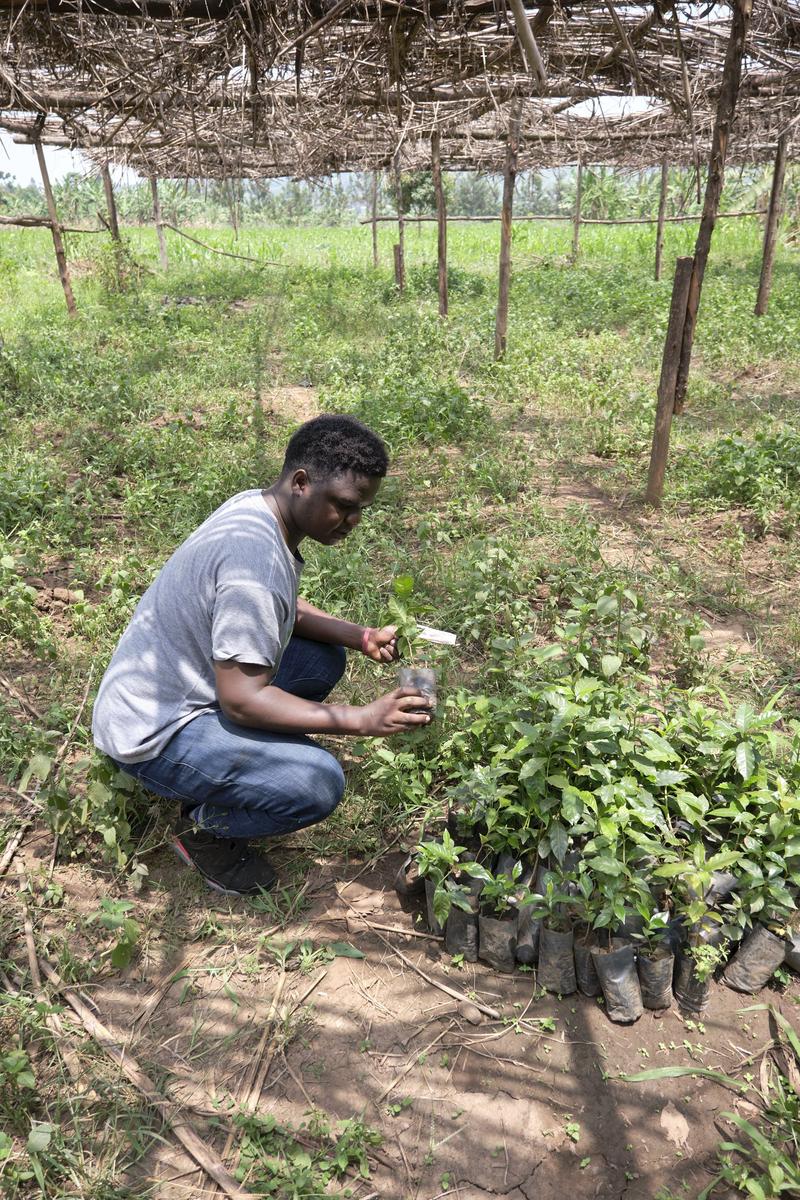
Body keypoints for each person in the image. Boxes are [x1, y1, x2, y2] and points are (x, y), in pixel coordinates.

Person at [92, 414, 432, 895]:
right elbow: (241, 701)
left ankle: (234, 767)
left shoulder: (259, 509)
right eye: (344, 506)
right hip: (154, 731)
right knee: (317, 782)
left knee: (322, 656)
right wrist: (362, 718)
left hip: (179, 690)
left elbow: (281, 609)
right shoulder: (254, 565)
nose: (354, 522)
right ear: (300, 483)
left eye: (362, 509)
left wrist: (358, 636)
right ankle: (203, 830)